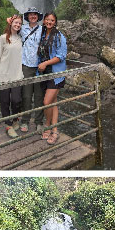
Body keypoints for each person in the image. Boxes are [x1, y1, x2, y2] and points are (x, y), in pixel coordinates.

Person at [35, 12, 68, 144]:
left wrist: (45, 63)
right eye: (47, 19)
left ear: (55, 22)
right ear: (44, 21)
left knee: (47, 102)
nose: (49, 22)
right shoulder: (42, 34)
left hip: (56, 75)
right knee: (53, 103)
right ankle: (55, 131)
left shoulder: (59, 36)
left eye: (52, 20)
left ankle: (47, 127)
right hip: (44, 74)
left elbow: (61, 56)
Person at [0, 14, 26, 137]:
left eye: (19, 23)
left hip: (17, 74)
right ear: (11, 24)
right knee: (5, 101)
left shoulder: (20, 38)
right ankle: (8, 125)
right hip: (4, 75)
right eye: (15, 23)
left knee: (16, 100)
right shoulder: (3, 38)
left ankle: (15, 119)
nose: (17, 25)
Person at [18, 8, 45, 129]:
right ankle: (25, 120)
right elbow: (11, 32)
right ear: (27, 17)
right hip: (26, 66)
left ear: (38, 17)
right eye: (30, 15)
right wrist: (10, 21)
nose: (33, 16)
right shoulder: (22, 28)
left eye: (35, 14)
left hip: (39, 67)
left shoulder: (43, 29)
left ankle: (39, 122)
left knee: (39, 96)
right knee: (26, 95)